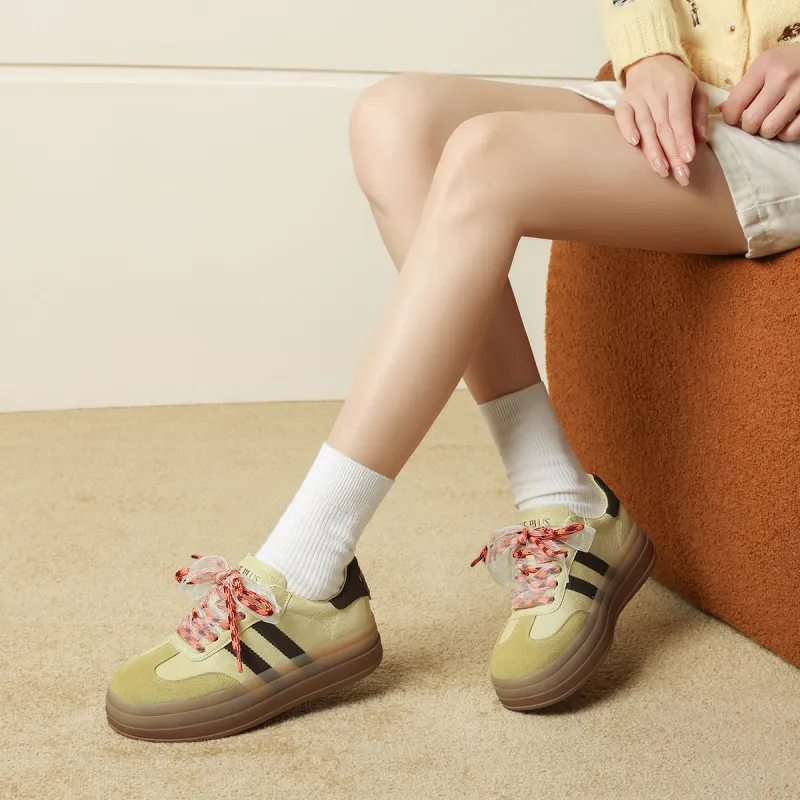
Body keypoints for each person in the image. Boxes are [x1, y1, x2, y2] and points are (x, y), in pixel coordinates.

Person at [106, 1, 800, 740]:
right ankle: (562, 500)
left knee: (488, 155)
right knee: (394, 121)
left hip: (785, 134)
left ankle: (306, 569)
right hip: (696, 92)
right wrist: (648, 50)